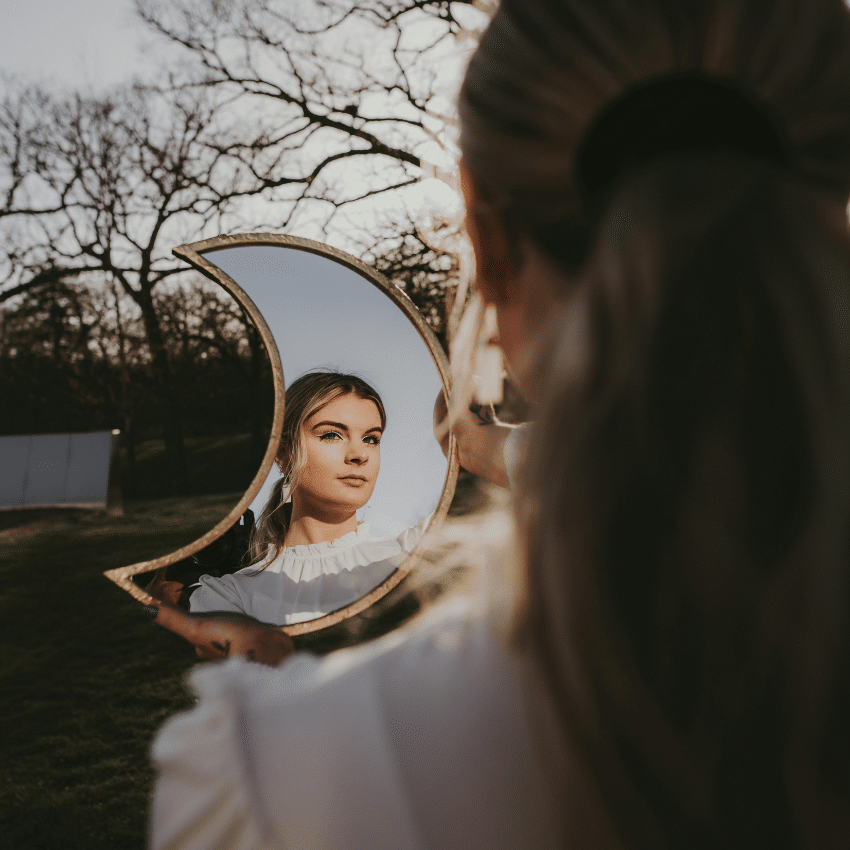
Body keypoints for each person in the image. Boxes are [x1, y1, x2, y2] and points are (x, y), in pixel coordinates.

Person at [148, 0, 850, 846]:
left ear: (482, 234)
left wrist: (301, 719)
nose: (359, 455)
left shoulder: (276, 782)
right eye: (333, 434)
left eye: (367, 435)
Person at [186, 371, 427, 625]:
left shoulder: (413, 554)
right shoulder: (230, 595)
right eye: (332, 434)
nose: (360, 454)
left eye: (371, 439)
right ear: (283, 455)